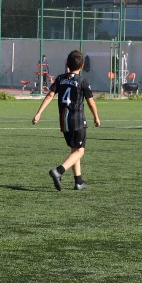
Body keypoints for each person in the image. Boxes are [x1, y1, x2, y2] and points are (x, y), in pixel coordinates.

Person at [32, 49, 102, 191]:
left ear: (67, 64)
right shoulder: (82, 80)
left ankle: (79, 181)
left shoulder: (60, 78)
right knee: (80, 151)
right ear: (82, 66)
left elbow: (49, 96)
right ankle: (59, 171)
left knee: (75, 149)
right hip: (77, 120)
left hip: (64, 120)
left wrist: (39, 113)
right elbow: (90, 101)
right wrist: (96, 116)